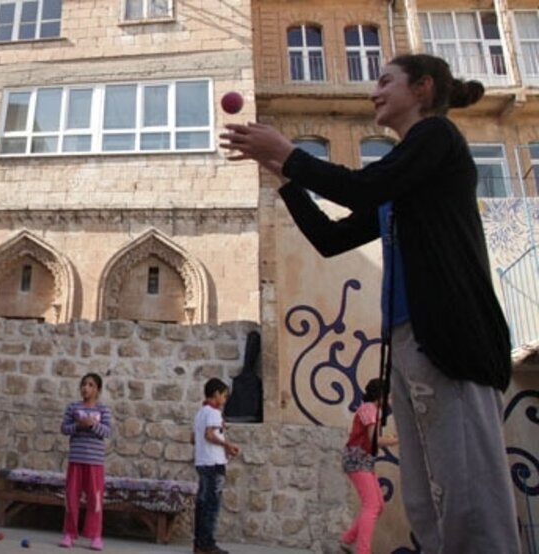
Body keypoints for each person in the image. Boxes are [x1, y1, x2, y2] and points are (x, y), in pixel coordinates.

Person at [220, 53, 519, 553]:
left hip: (451, 339)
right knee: (429, 496)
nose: (373, 92)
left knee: (468, 495)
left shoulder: (436, 137)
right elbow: (331, 238)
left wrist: (290, 152)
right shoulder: (404, 176)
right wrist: (286, 177)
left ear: (422, 88)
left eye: (385, 81)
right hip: (408, 341)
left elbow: (364, 186)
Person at [340, 378, 398, 554]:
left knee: (377, 504)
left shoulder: (372, 410)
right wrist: (396, 440)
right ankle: (363, 551)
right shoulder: (370, 410)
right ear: (380, 395)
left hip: (362, 460)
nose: (389, 400)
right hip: (358, 459)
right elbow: (374, 441)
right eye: (387, 396)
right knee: (372, 505)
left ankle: (347, 539)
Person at [59, 373, 112, 551]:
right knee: (71, 498)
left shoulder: (103, 409)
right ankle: (69, 533)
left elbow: (107, 432)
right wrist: (78, 426)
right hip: (76, 459)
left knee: (95, 500)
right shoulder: (73, 407)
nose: (85, 388)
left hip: (95, 462)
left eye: (90, 385)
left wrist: (92, 425)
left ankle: (95, 536)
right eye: (83, 384)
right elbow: (64, 428)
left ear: (97, 390)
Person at [191, 378, 240, 554]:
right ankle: (207, 543)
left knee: (203, 504)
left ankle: (199, 543)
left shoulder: (200, 413)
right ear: (216, 394)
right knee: (212, 505)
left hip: (202, 461)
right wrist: (227, 445)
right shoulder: (213, 413)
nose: (225, 400)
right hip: (214, 463)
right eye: (224, 396)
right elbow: (209, 435)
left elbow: (193, 438)